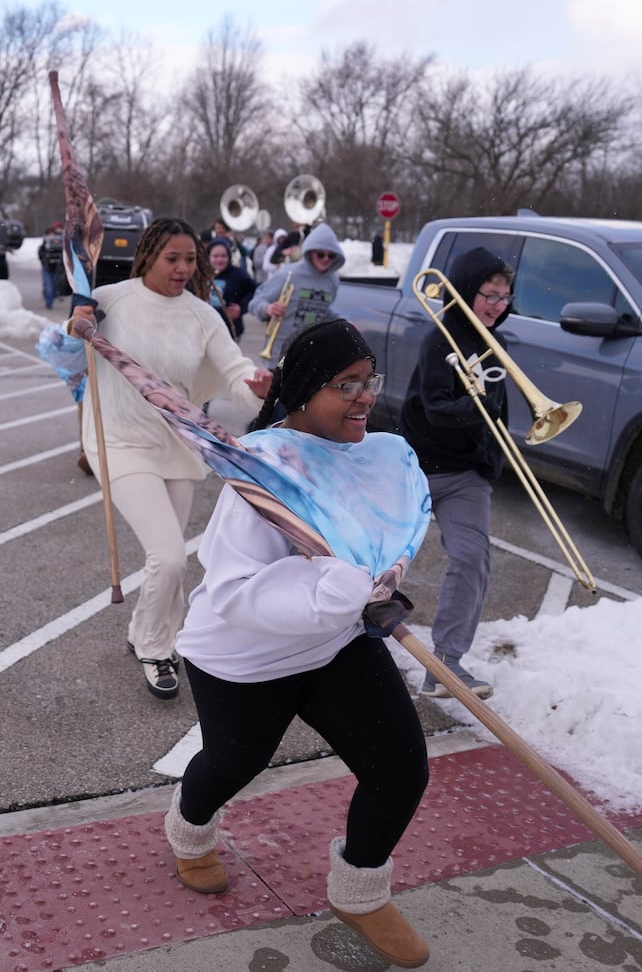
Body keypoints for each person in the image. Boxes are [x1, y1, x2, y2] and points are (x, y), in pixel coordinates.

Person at [163, 318, 431, 968]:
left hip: (337, 639)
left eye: (371, 381)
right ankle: (189, 829)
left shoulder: (369, 452)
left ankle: (360, 891)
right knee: (235, 761)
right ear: (306, 390)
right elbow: (234, 590)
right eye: (348, 384)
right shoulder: (261, 472)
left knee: (401, 767)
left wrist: (381, 584)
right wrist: (330, 592)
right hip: (245, 653)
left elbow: (376, 541)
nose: (367, 396)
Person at [67, 217, 272, 699]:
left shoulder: (202, 315)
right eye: (172, 259)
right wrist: (78, 320)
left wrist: (258, 388)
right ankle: (158, 649)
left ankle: (144, 630)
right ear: (149, 256)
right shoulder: (113, 299)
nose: (183, 268)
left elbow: (235, 371)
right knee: (171, 556)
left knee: (168, 559)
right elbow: (70, 334)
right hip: (119, 439)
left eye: (190, 259)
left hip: (178, 443)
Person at [398, 246, 514, 700]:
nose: (496, 306)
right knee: (380, 559)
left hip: (466, 473)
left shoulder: (496, 345)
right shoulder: (438, 340)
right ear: (469, 290)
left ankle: (445, 663)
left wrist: (493, 458)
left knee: (472, 559)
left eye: (505, 298)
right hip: (419, 467)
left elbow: (497, 414)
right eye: (489, 294)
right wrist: (478, 406)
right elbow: (438, 410)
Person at [251, 222, 346, 357]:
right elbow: (256, 301)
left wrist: (343, 324)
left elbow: (323, 311)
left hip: (311, 355)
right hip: (280, 353)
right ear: (310, 252)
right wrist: (268, 308)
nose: (326, 259)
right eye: (320, 254)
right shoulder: (288, 273)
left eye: (331, 256)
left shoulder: (333, 281)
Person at [207, 238, 256, 340]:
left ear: (229, 257)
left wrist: (241, 307)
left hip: (230, 330)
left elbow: (254, 293)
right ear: (208, 257)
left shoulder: (238, 275)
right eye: (215, 256)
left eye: (223, 256)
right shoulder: (201, 275)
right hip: (206, 329)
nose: (219, 259)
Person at [37, 221, 65, 309]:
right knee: (48, 287)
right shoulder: (45, 245)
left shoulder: (60, 243)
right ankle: (48, 303)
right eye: (49, 234)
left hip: (56, 268)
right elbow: (41, 254)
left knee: (54, 287)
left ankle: (51, 298)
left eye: (52, 234)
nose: (51, 236)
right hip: (47, 268)